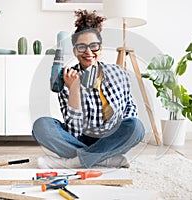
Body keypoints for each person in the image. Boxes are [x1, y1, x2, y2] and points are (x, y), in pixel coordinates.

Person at [32, 10, 145, 169]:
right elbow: (74, 132)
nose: (88, 52)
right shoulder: (67, 78)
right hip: (79, 139)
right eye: (82, 47)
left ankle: (75, 162)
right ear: (74, 51)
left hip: (112, 137)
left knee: (136, 127)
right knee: (41, 126)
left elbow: (130, 107)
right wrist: (74, 90)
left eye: (94, 46)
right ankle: (104, 158)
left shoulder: (119, 73)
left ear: (101, 48)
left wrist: (121, 133)